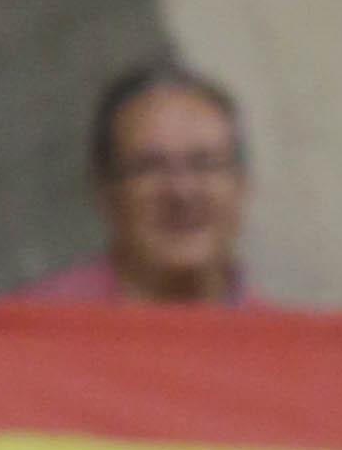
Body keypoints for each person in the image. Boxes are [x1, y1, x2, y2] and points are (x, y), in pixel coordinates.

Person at [20, 62, 252, 305]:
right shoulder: (36, 325)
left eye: (204, 164)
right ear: (104, 190)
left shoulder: (280, 337)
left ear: (241, 184)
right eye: (150, 167)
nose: (182, 191)